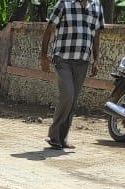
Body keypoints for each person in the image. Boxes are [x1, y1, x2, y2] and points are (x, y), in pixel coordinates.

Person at [40, 0, 105, 149]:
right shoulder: (64, 3)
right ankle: (53, 135)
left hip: (83, 61)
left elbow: (96, 34)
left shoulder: (96, 6)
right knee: (67, 95)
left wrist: (96, 60)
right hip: (62, 58)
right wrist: (43, 56)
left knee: (73, 100)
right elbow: (49, 28)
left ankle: (61, 139)